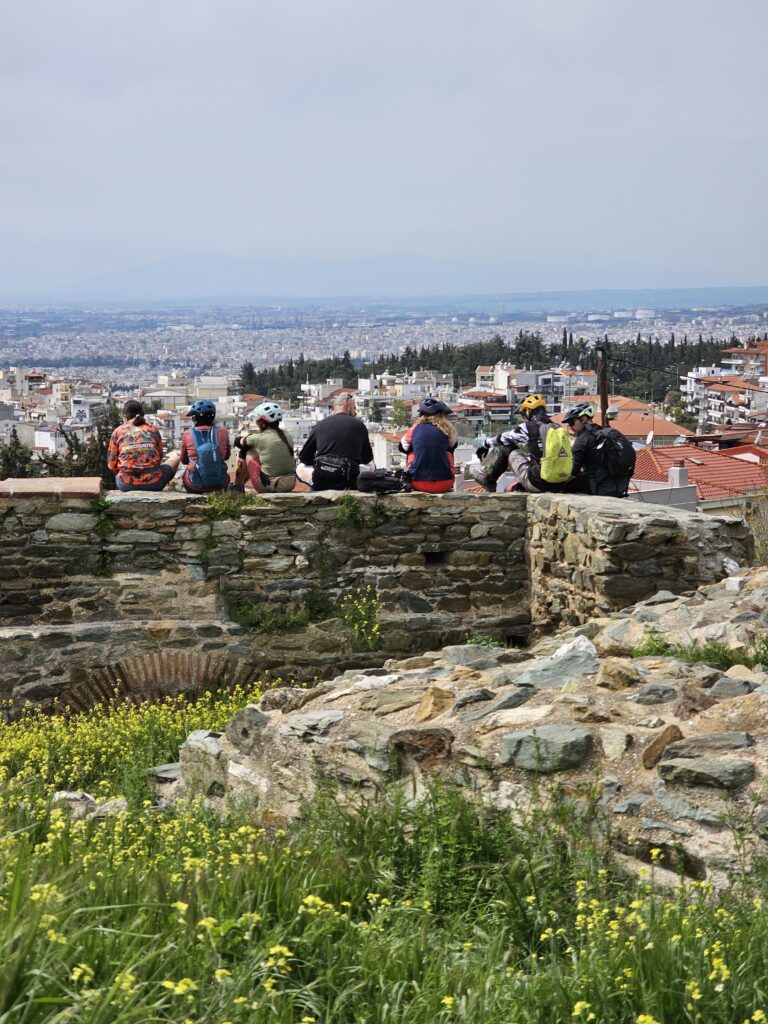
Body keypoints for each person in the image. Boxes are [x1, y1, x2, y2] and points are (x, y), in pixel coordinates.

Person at [473, 393, 562, 493]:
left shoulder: (528, 427)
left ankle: (490, 481)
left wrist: (485, 444)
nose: (524, 417)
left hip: (538, 484)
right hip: (559, 484)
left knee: (507, 448)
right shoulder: (558, 427)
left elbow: (504, 438)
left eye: (523, 413)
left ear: (528, 411)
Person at [297, 392, 374, 490]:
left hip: (322, 479)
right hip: (348, 480)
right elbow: (367, 458)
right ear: (347, 405)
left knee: (300, 467)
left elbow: (304, 457)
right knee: (371, 465)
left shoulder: (320, 425)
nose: (356, 412)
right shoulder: (359, 425)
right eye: (354, 408)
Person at [563, 402, 634, 497]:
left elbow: (573, 471)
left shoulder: (582, 440)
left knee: (559, 485)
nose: (570, 427)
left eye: (572, 423)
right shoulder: (603, 432)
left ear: (584, 419)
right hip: (618, 487)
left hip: (598, 488)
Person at [107, 400, 181, 491]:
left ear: (125, 417)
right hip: (154, 483)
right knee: (176, 457)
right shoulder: (152, 429)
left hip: (125, 484)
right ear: (142, 414)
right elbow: (159, 457)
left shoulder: (118, 431)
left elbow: (111, 464)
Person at [233, 401, 297, 493]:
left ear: (262, 423)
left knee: (247, 450)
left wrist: (250, 437)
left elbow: (237, 442)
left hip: (270, 486)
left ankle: (237, 487)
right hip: (290, 484)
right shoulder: (288, 435)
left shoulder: (260, 438)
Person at [398, 397, 458, 493]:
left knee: (412, 452)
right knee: (448, 453)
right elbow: (453, 445)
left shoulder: (414, 429)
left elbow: (402, 447)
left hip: (418, 483)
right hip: (445, 483)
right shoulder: (448, 430)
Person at [180, 399, 231, 494]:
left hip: (194, 486)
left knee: (186, 471)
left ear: (194, 419)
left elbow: (183, 460)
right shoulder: (223, 432)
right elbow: (227, 456)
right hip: (220, 484)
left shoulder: (187, 434)